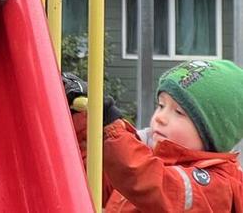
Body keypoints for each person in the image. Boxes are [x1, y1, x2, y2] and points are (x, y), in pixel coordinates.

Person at [63, 61, 243, 211]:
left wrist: (110, 126)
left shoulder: (218, 186)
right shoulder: (149, 160)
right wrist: (83, 122)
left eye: (179, 112)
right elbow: (94, 180)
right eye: (161, 105)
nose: (160, 118)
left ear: (214, 131)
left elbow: (152, 183)